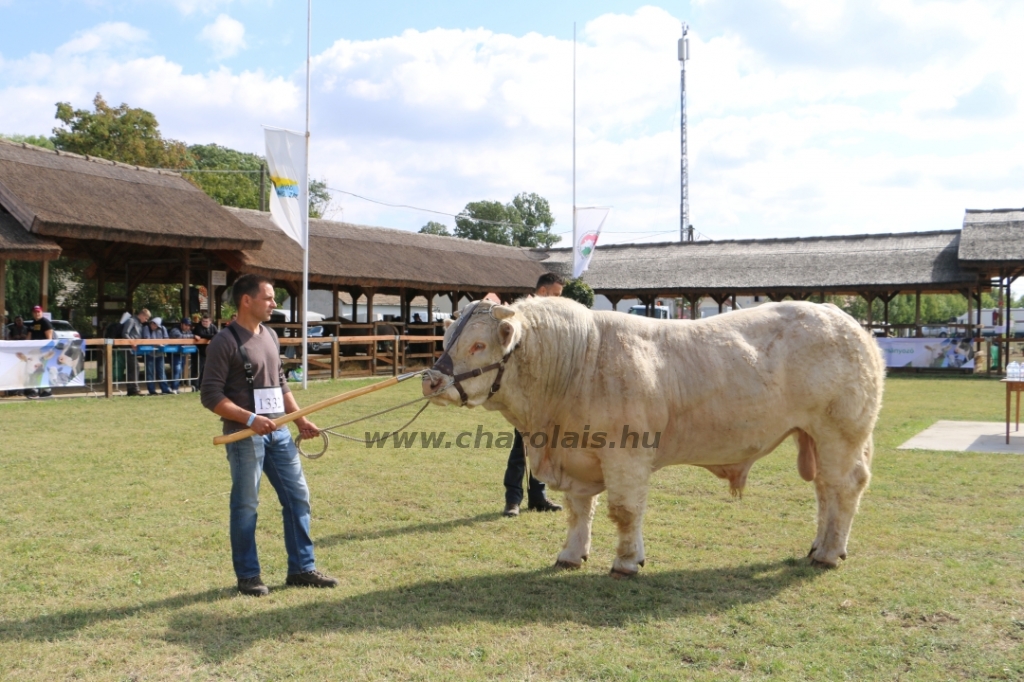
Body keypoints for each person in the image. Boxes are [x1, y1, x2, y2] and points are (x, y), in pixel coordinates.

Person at [201, 273, 337, 597]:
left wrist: (301, 419)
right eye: (269, 298)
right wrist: (250, 418)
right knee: (246, 504)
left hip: (280, 432)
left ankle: (302, 569)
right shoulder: (224, 342)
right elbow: (210, 396)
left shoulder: (271, 336)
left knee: (298, 497)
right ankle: (248, 576)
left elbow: (281, 385)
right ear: (246, 300)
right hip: (244, 436)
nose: (274, 304)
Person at [502, 273, 566, 517]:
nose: (560, 300)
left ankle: (538, 497)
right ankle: (513, 500)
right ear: (542, 291)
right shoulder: (520, 317)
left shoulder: (550, 320)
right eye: (557, 294)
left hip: (546, 394)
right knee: (520, 448)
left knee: (541, 447)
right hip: (524, 395)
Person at [27, 306, 54, 398]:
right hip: (34, 352)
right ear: (32, 313)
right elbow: (29, 337)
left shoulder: (45, 322)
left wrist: (45, 352)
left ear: (41, 312)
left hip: (43, 352)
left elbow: (49, 338)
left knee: (39, 371)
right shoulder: (32, 323)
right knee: (36, 370)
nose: (37, 313)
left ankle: (36, 391)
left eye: (38, 312)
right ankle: (46, 391)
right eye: (35, 312)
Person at [122, 309, 150, 397]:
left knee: (134, 368)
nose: (146, 320)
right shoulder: (131, 321)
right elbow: (125, 333)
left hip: (134, 349)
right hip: (128, 348)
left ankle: (132, 389)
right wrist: (132, 343)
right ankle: (134, 389)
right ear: (141, 315)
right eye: (146, 318)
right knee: (134, 367)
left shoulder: (139, 324)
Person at [142, 316, 172, 395]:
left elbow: (166, 339)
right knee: (150, 372)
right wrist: (158, 344)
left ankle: (165, 389)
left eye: (156, 326)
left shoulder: (163, 328)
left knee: (162, 372)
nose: (154, 327)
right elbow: (147, 340)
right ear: (151, 323)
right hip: (149, 353)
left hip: (160, 353)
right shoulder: (146, 328)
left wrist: (163, 344)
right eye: (153, 325)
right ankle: (152, 390)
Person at [168, 318, 191, 393]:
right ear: (181, 324)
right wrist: (191, 337)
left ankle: (175, 387)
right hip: (174, 353)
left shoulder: (188, 331)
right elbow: (179, 336)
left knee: (180, 370)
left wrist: (191, 336)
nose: (187, 327)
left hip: (182, 353)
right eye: (186, 325)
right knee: (177, 370)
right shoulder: (175, 329)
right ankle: (174, 388)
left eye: (189, 325)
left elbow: (192, 335)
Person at [193, 314, 218, 383]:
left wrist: (211, 336)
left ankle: (202, 385)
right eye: (203, 321)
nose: (204, 323)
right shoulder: (198, 327)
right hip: (200, 352)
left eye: (206, 321)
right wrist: (212, 336)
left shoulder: (213, 327)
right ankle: (195, 385)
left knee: (206, 370)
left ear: (210, 322)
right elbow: (201, 334)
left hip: (209, 352)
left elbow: (218, 335)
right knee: (198, 369)